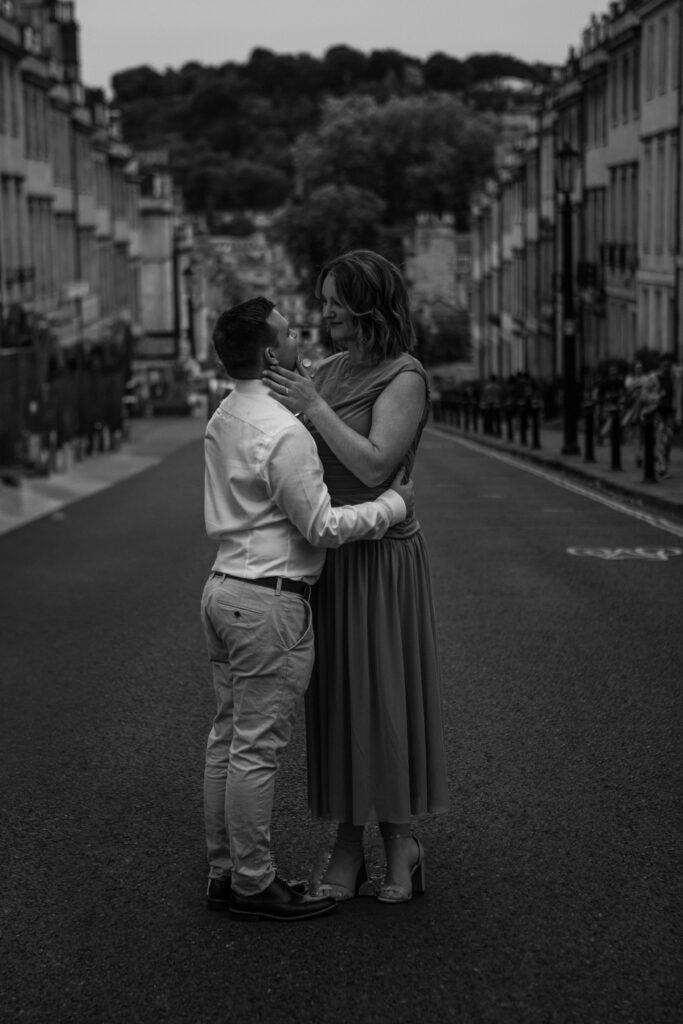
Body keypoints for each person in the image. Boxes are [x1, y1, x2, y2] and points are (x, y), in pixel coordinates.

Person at [201, 295, 414, 922]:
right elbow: (320, 525)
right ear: (271, 353)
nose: (304, 340)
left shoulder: (224, 414)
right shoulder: (284, 430)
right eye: (290, 333)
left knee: (226, 738)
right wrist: (394, 507)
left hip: (221, 588)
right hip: (268, 601)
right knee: (255, 748)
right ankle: (253, 883)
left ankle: (224, 873)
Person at [263, 250, 449, 904]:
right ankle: (347, 843)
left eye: (337, 301)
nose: (326, 312)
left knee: (386, 698)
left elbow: (373, 468)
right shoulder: (328, 370)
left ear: (370, 303)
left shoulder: (405, 378)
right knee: (340, 699)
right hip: (331, 555)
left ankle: (401, 839)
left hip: (384, 556)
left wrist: (312, 404)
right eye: (322, 301)